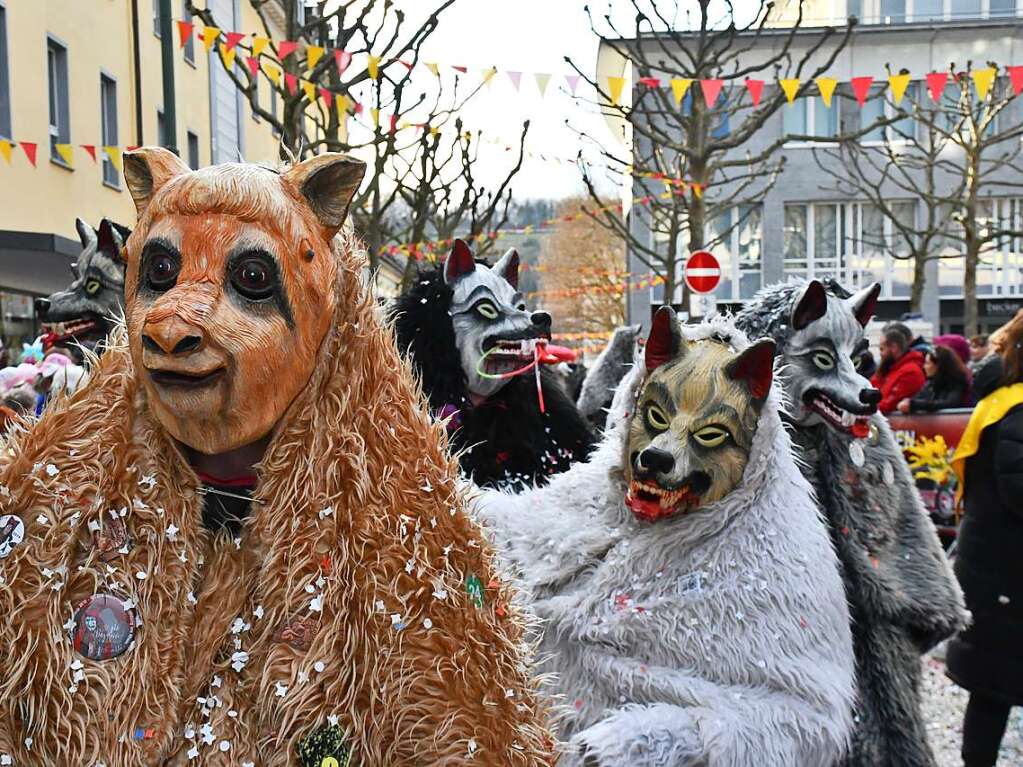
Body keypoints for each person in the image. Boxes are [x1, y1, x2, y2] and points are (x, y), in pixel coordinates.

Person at [949, 310, 1023, 767]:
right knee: (995, 691)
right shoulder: (1015, 411)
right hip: (1008, 579)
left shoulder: (1001, 402)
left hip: (996, 575)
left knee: (993, 692)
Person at [897, 344, 971, 413]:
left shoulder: (956, 382)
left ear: (938, 365)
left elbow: (951, 403)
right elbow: (918, 398)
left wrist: (915, 405)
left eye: (927, 363)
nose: (924, 367)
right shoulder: (930, 384)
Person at [872, 327, 927, 414]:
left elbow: (889, 404)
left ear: (894, 347)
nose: (880, 354)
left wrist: (862, 408)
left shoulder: (910, 372)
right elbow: (872, 388)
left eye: (882, 349)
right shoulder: (891, 369)